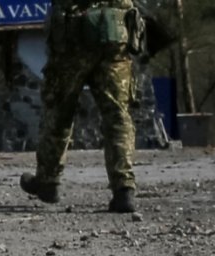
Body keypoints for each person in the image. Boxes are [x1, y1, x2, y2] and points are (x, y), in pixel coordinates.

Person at [20, 0, 147, 213]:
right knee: (117, 114)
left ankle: (48, 181)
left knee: (59, 111)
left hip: (73, 36)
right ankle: (123, 188)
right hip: (115, 34)